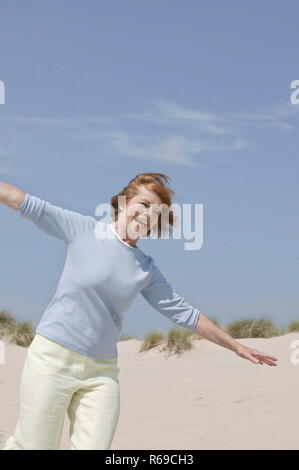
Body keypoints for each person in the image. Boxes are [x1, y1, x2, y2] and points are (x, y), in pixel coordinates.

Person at [0, 172, 278, 450]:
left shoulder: (145, 268)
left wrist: (236, 346)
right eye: (144, 204)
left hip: (100, 373)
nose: (148, 214)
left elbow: (186, 314)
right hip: (52, 360)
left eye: (157, 212)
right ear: (124, 202)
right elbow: (21, 201)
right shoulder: (83, 229)